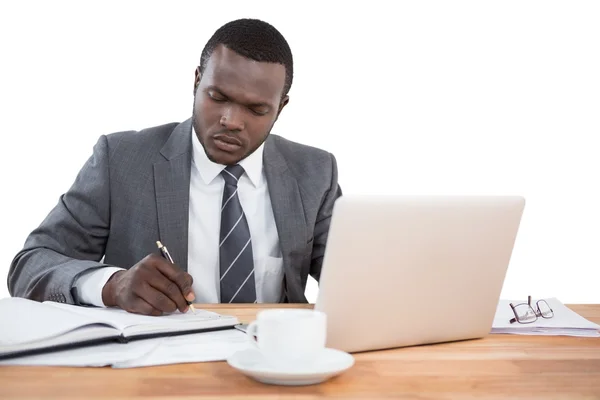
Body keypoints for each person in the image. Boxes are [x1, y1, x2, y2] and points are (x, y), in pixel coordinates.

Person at [7, 18, 342, 315]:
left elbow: (356, 280)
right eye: (218, 97)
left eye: (256, 110)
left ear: (280, 107)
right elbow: (29, 266)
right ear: (197, 81)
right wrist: (112, 285)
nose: (231, 121)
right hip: (157, 366)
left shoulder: (315, 173)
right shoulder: (120, 160)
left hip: (275, 363)